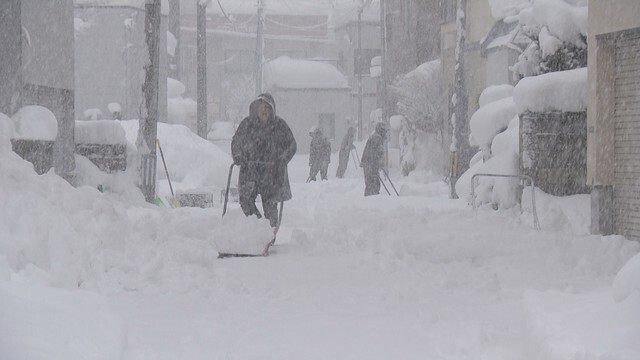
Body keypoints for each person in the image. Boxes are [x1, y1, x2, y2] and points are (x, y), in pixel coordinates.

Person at [231, 93, 297, 228]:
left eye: (267, 107)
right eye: (261, 107)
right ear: (255, 108)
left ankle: (269, 232)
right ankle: (258, 227)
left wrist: (282, 159)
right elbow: (236, 142)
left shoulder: (279, 125)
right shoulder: (247, 124)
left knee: (270, 205)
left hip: (272, 172)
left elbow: (291, 145)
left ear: (272, 109)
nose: (264, 110)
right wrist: (238, 156)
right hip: (249, 171)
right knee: (245, 201)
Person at [360, 122, 388, 196]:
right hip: (370, 164)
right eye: (384, 131)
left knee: (370, 184)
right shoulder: (377, 138)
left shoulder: (376, 137)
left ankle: (370, 200)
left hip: (368, 163)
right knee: (373, 184)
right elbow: (376, 153)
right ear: (381, 130)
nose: (385, 133)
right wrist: (378, 163)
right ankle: (372, 201)